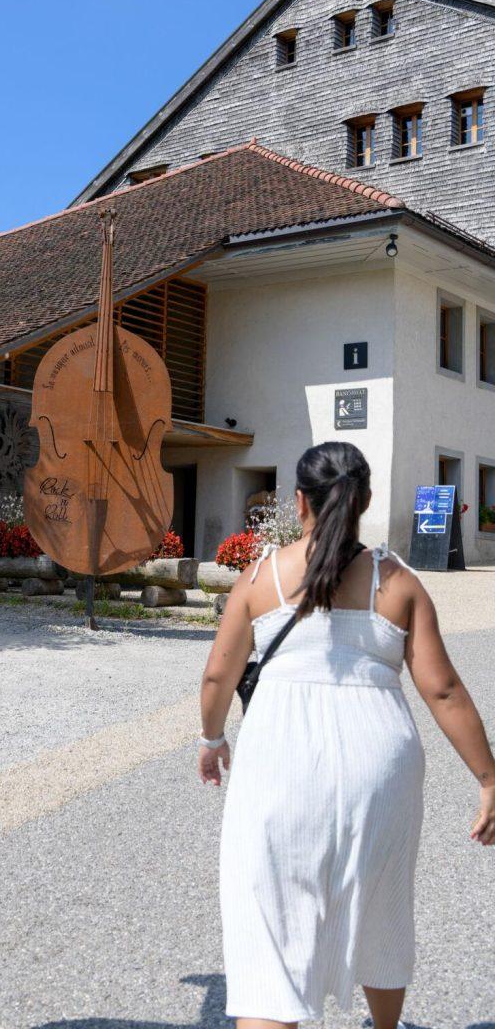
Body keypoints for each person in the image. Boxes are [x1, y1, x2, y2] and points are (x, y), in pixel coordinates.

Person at [199, 441, 495, 1029]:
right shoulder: (399, 583)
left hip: (278, 761)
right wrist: (488, 777)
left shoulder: (260, 579)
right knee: (382, 908)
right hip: (379, 762)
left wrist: (212, 741)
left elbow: (217, 675)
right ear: (363, 501)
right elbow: (443, 690)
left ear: (300, 501)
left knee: (270, 936)